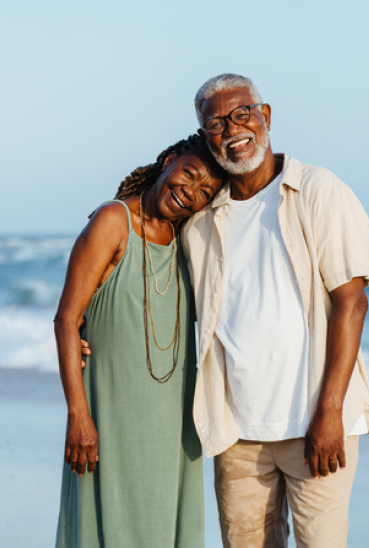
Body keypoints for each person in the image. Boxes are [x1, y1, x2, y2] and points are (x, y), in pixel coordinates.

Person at [182, 74, 369, 547]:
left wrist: (329, 413)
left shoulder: (317, 191)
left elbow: (351, 302)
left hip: (316, 424)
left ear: (265, 116)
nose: (232, 130)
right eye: (216, 124)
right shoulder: (202, 220)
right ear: (206, 137)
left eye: (241, 114)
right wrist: (89, 318)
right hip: (237, 433)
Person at [54, 135, 224, 548]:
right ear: (169, 160)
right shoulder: (114, 221)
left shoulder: (189, 241)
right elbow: (66, 319)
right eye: (190, 174)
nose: (191, 192)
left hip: (175, 423)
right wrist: (79, 416)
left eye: (206, 192)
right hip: (110, 416)